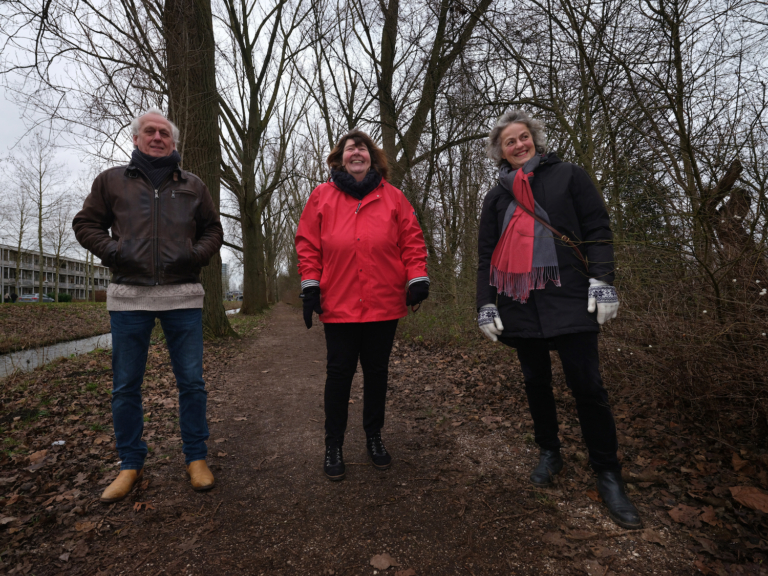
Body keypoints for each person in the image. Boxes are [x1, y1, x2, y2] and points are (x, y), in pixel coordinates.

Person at [476, 110, 641, 529]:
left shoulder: (569, 175)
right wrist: (486, 304)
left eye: (523, 136)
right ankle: (550, 452)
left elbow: (597, 228)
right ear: (500, 151)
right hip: (520, 302)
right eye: (509, 141)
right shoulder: (496, 195)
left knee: (588, 386)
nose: (518, 145)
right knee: (536, 383)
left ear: (535, 139)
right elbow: (485, 258)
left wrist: (603, 279)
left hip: (570, 297)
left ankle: (607, 473)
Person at [73, 108, 223, 502]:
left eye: (164, 133)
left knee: (191, 383)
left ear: (174, 143)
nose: (157, 137)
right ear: (136, 139)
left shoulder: (193, 184)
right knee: (125, 387)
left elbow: (213, 229)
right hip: (129, 298)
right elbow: (85, 224)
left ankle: (196, 458)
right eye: (150, 132)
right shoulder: (111, 182)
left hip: (183, 297)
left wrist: (195, 256)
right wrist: (113, 250)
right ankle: (130, 464)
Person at [295, 130, 429, 481]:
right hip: (338, 303)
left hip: (384, 303)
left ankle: (374, 437)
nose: (357, 152)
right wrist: (310, 286)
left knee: (377, 373)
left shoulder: (394, 198)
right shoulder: (321, 196)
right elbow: (307, 243)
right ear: (340, 158)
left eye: (364, 148)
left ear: (373, 158)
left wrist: (417, 277)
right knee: (339, 375)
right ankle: (333, 443)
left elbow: (412, 241)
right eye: (350, 148)